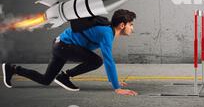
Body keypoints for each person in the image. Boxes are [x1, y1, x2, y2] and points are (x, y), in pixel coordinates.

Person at [2, 9, 138, 96]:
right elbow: (108, 60)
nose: (132, 27)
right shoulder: (107, 33)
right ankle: (64, 76)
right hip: (64, 46)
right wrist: (116, 87)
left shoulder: (107, 30)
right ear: (122, 25)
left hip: (60, 45)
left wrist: (113, 80)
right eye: (130, 24)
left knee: (45, 80)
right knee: (97, 61)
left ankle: (12, 68)